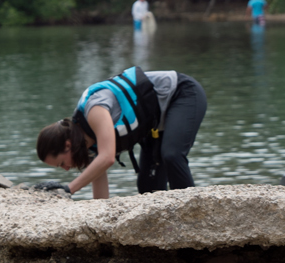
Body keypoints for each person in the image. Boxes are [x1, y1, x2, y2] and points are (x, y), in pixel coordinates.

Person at [36, 67, 207, 198]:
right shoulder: (87, 145)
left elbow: (108, 157)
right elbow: (101, 198)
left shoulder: (94, 110)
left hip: (182, 93)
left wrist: (68, 189)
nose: (66, 169)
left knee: (172, 155)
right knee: (148, 186)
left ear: (67, 145)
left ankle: (195, 215)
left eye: (61, 163)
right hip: (155, 123)